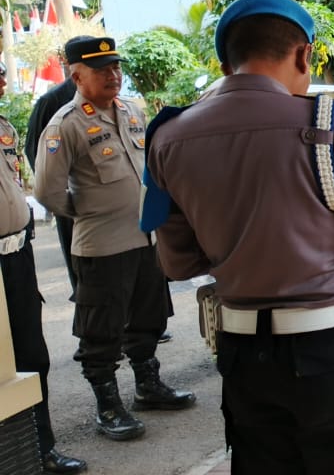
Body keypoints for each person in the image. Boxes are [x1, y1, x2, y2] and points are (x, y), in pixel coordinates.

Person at [144, 0, 334, 472]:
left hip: (242, 354)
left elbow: (176, 263)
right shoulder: (328, 123)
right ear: (304, 54)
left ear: (226, 63)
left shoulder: (168, 136)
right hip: (328, 350)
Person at [33, 35, 195, 442]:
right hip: (102, 246)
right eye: (102, 69)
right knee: (101, 329)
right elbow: (47, 191)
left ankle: (147, 385)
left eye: (116, 67)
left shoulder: (132, 111)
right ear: (76, 76)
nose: (113, 75)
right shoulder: (65, 124)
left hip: (145, 239)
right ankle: (108, 405)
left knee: (149, 318)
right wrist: (89, 211)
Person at [0, 61, 87, 473]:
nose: (2, 80)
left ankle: (40, 448)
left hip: (16, 256)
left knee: (32, 355)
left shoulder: (3, 126)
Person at [26, 75, 76, 298]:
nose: (112, 75)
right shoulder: (51, 101)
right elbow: (34, 151)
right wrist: (61, 199)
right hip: (74, 204)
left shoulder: (117, 102)